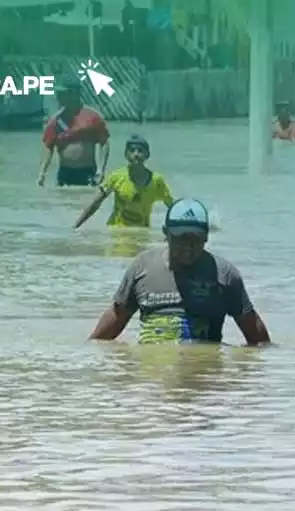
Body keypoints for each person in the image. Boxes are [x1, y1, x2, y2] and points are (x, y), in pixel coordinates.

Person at [89, 199, 272, 346]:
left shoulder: (224, 275)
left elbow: (258, 339)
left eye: (195, 239)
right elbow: (116, 317)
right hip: (152, 381)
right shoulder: (142, 267)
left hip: (205, 378)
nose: (188, 247)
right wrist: (88, 351)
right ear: (165, 233)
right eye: (180, 238)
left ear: (206, 236)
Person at [74, 135, 174, 229]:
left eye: (140, 150)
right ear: (126, 154)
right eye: (132, 150)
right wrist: (76, 226)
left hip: (142, 233)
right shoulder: (116, 176)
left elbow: (172, 208)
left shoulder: (157, 181)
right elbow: (96, 203)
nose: (136, 154)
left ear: (147, 155)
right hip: (117, 230)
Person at [37, 74, 110, 187]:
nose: (58, 96)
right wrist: (42, 173)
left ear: (74, 94)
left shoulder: (93, 117)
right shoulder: (55, 121)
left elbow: (104, 143)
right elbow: (48, 147)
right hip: (65, 173)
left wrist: (101, 169)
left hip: (88, 172)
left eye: (62, 93)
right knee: (64, 203)